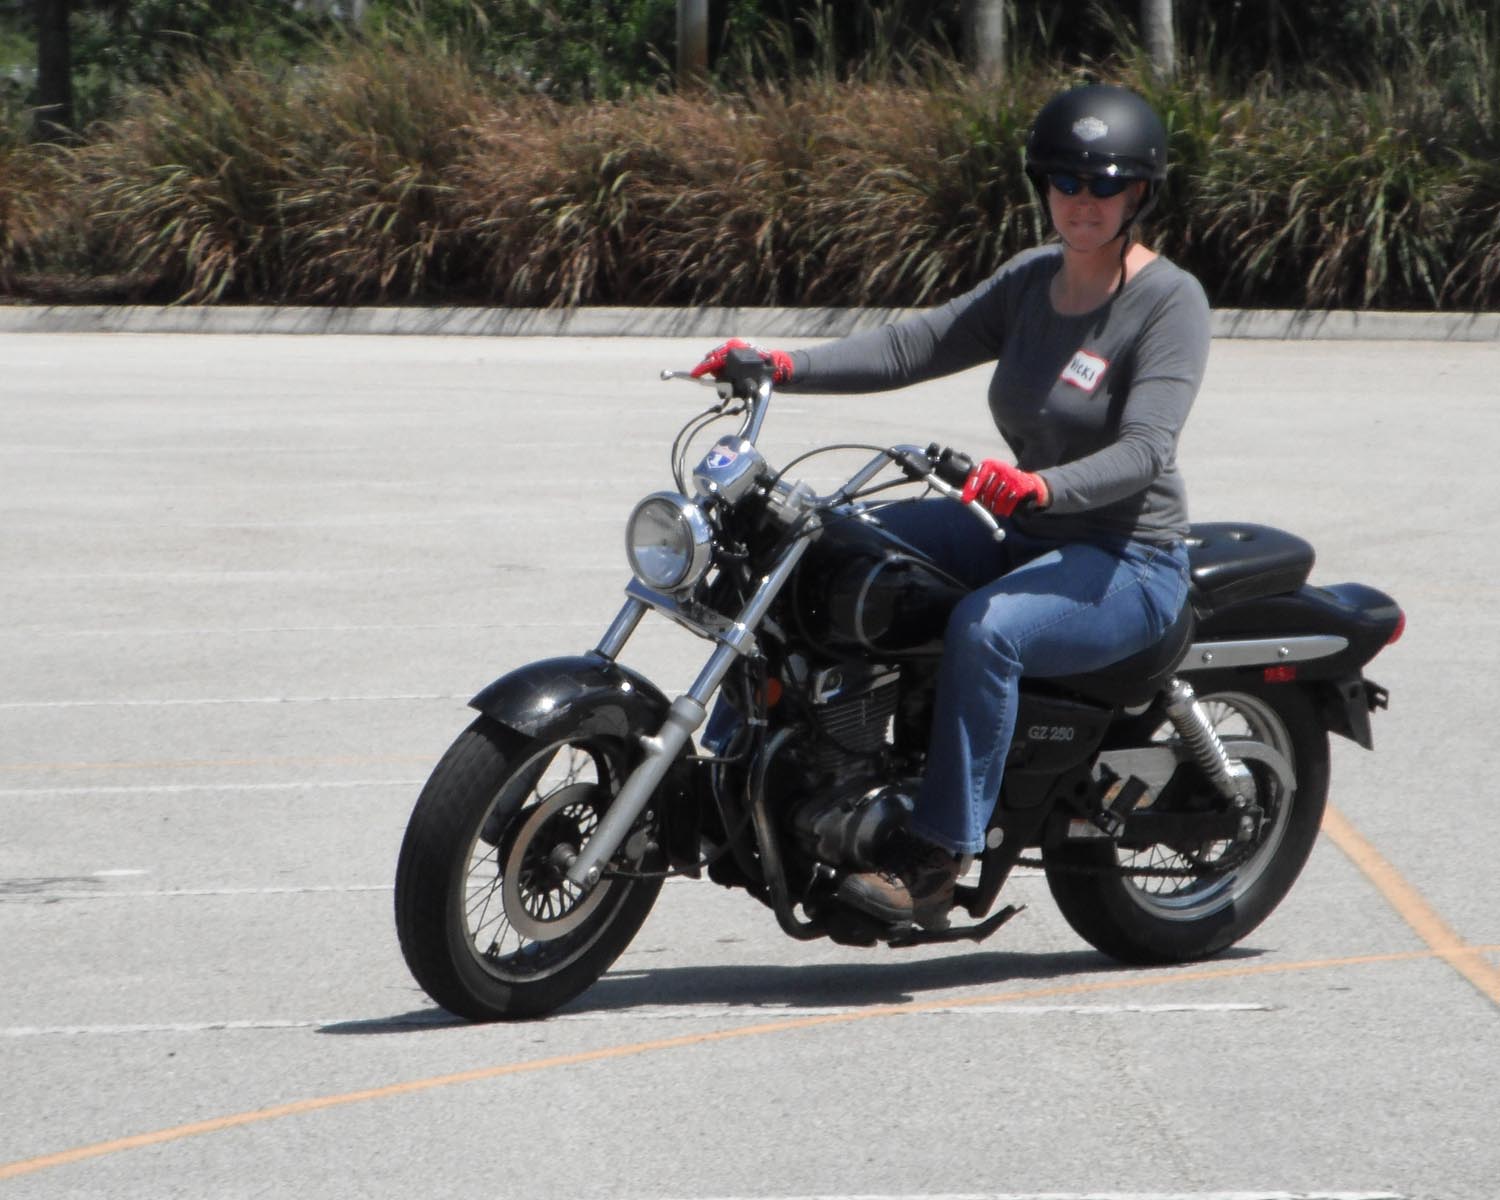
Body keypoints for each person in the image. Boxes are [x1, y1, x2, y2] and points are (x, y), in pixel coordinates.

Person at [690, 83, 1210, 930]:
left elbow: (1146, 448)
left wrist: (1041, 486)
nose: (1082, 199)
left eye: (1105, 184)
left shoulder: (1169, 301)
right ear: (1042, 185)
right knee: (815, 543)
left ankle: (937, 855)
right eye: (1066, 181)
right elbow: (915, 345)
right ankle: (745, 767)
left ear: (1140, 193)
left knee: (986, 629)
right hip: (1022, 530)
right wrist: (781, 366)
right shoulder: (1032, 280)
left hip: (1128, 558)